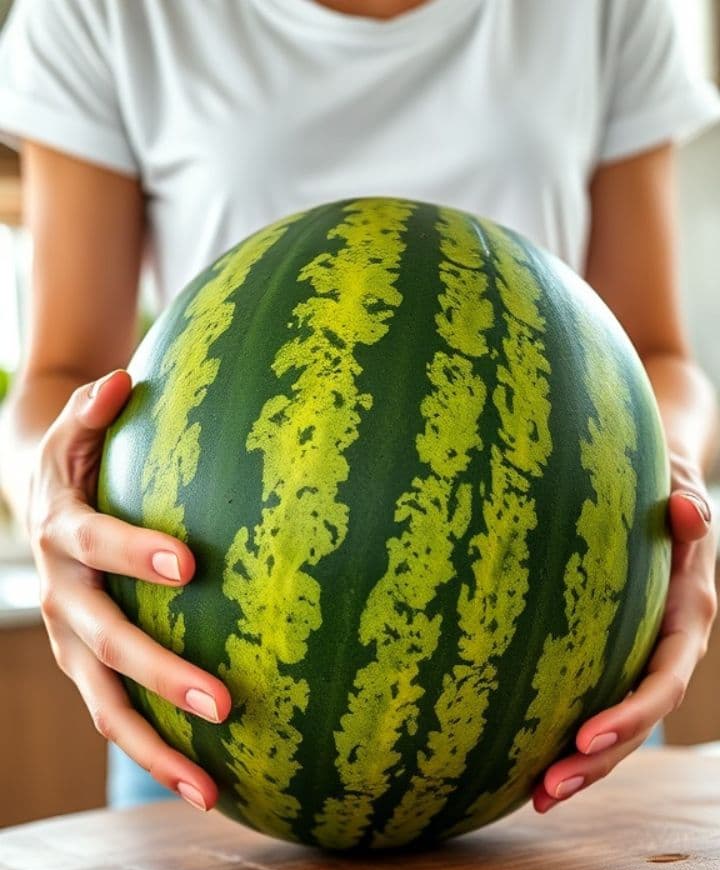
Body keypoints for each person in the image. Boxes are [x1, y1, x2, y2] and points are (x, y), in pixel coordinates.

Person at [0, 0, 718, 818]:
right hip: (206, 697)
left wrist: (677, 483)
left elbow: (658, 354)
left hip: (562, 708)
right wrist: (49, 503)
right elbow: (64, 377)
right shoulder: (99, 11)